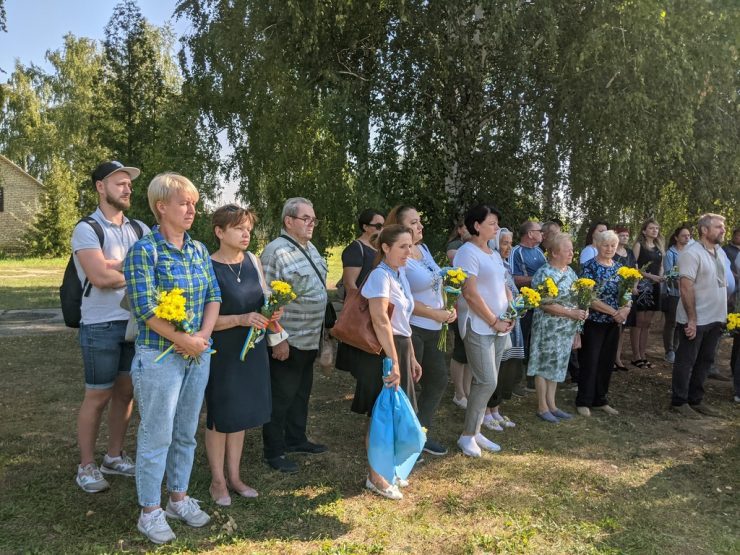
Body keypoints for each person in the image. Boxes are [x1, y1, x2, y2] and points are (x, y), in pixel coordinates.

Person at [124, 173, 221, 544]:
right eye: (184, 203)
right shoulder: (144, 251)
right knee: (156, 433)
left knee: (185, 431)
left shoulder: (198, 250)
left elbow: (213, 295)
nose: (191, 210)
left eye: (194, 203)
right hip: (158, 356)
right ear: (161, 206)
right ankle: (149, 511)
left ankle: (177, 498)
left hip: (197, 353)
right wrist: (185, 340)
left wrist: (202, 339)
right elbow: (146, 309)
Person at [72, 161, 149, 493]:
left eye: (129, 184)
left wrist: (116, 264)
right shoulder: (87, 229)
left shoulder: (140, 229)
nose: (127, 188)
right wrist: (132, 270)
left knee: (126, 392)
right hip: (100, 325)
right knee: (98, 395)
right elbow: (100, 277)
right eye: (119, 183)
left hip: (135, 322)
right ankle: (86, 466)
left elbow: (155, 266)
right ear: (100, 187)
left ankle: (114, 457)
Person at [204, 205, 284, 506]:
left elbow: (263, 300)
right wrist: (240, 319)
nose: (246, 232)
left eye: (248, 227)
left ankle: (235, 477)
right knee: (220, 416)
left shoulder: (252, 260)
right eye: (239, 227)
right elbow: (204, 322)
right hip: (221, 351)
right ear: (219, 232)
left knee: (240, 416)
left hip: (252, 349)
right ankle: (217, 481)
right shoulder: (207, 266)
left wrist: (273, 312)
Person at [260, 197, 329, 473]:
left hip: (310, 338)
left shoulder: (311, 249)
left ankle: (296, 439)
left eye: (313, 219)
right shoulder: (275, 252)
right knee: (281, 397)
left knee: (301, 393)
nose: (311, 224)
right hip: (288, 340)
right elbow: (266, 300)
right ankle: (274, 451)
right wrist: (277, 339)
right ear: (289, 221)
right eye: (306, 219)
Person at [357, 224, 422, 499]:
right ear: (385, 248)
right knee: (380, 414)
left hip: (400, 347)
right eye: (403, 247)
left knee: (394, 412)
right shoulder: (379, 276)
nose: (409, 251)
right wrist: (394, 361)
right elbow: (380, 320)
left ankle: (389, 467)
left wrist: (411, 359)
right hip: (381, 351)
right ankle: (376, 476)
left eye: (410, 246)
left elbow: (403, 320)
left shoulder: (399, 274)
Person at [385, 205, 456, 457]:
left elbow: (436, 282)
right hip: (413, 329)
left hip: (435, 327)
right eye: (414, 223)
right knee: (408, 386)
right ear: (400, 228)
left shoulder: (423, 250)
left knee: (437, 380)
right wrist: (435, 313)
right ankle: (401, 438)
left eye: (420, 221)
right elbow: (404, 298)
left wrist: (447, 307)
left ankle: (419, 432)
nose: (420, 226)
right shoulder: (400, 257)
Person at [454, 205, 514, 457]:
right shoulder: (467, 252)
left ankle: (476, 431)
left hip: (500, 324)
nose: (496, 228)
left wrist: (511, 311)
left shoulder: (492, 253)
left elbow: (502, 286)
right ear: (476, 225)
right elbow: (470, 293)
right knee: (486, 380)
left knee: (490, 381)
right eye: (491, 223)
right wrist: (493, 320)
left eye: (497, 223)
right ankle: (467, 436)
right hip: (479, 325)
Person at [671, 214, 728, 418]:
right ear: (704, 230)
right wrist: (692, 319)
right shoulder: (691, 253)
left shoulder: (719, 251)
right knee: (686, 361)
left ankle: (696, 399)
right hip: (696, 318)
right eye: (718, 227)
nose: (723, 230)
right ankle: (679, 401)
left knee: (705, 360)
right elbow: (685, 288)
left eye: (723, 226)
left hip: (716, 317)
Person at [528, 233, 589, 422]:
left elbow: (579, 299)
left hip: (565, 330)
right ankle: (542, 406)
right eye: (567, 250)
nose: (572, 253)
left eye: (572, 250)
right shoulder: (544, 273)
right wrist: (570, 313)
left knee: (557, 366)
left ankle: (552, 405)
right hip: (547, 328)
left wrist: (579, 323)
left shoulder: (570, 272)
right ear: (554, 252)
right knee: (543, 365)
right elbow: (543, 303)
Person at [577, 230, 631, 417]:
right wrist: (614, 312)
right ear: (598, 245)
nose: (609, 249)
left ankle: (601, 399)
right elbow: (588, 298)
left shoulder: (620, 268)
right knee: (590, 361)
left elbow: (627, 293)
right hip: (594, 321)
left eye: (613, 246)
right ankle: (583, 400)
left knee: (607, 361)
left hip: (613, 323)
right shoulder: (589, 267)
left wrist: (625, 309)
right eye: (606, 245)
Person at [483, 228, 524, 429]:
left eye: (510, 243)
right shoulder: (491, 264)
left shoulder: (505, 264)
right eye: (504, 242)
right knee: (490, 368)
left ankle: (495, 409)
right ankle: (485, 411)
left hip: (509, 321)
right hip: (494, 321)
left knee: (504, 366)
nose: (508, 247)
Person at [335, 209, 384, 374]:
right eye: (378, 226)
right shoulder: (355, 249)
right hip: (363, 312)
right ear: (365, 227)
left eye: (384, 226)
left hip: (377, 309)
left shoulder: (379, 249)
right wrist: (364, 309)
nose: (382, 229)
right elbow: (350, 284)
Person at [509, 220, 547, 391]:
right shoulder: (516, 252)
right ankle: (515, 381)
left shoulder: (540, 252)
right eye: (540, 230)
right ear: (530, 233)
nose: (543, 234)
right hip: (523, 304)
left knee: (536, 342)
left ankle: (533, 379)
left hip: (540, 304)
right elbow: (512, 278)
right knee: (520, 341)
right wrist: (537, 280)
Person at [630, 219, 664, 369]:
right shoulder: (639, 245)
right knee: (638, 322)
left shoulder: (658, 247)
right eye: (651, 228)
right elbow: (634, 268)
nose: (654, 230)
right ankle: (635, 355)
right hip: (641, 286)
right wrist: (651, 277)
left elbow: (661, 265)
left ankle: (643, 354)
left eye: (656, 228)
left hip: (655, 286)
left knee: (647, 323)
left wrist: (660, 276)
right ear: (644, 231)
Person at [446, 220, 472, 408]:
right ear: (460, 229)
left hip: (473, 309)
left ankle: (467, 390)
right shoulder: (456, 246)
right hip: (460, 304)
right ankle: (459, 392)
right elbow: (456, 265)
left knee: (470, 353)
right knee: (460, 350)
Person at [663, 225, 692, 364]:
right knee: (672, 322)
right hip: (674, 292)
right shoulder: (670, 253)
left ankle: (677, 348)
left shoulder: (692, 252)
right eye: (684, 236)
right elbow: (669, 274)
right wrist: (683, 277)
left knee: (683, 321)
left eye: (689, 236)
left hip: (689, 292)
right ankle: (669, 351)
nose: (687, 238)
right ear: (676, 238)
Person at [612, 225, 636, 371]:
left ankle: (618, 357)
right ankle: (610, 357)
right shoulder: (612, 251)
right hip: (614, 293)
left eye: (627, 236)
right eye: (622, 235)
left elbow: (635, 270)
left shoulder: (630, 252)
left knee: (622, 328)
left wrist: (634, 285)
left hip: (626, 293)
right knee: (614, 326)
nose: (625, 238)